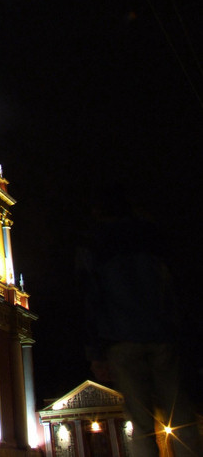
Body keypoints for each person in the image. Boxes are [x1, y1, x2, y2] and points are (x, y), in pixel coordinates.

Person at [78, 190, 202, 456]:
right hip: (163, 335)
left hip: (122, 339)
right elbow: (177, 285)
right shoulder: (155, 236)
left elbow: (91, 297)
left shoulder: (94, 242)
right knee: (180, 411)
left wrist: (95, 352)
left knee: (140, 420)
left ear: (99, 213)